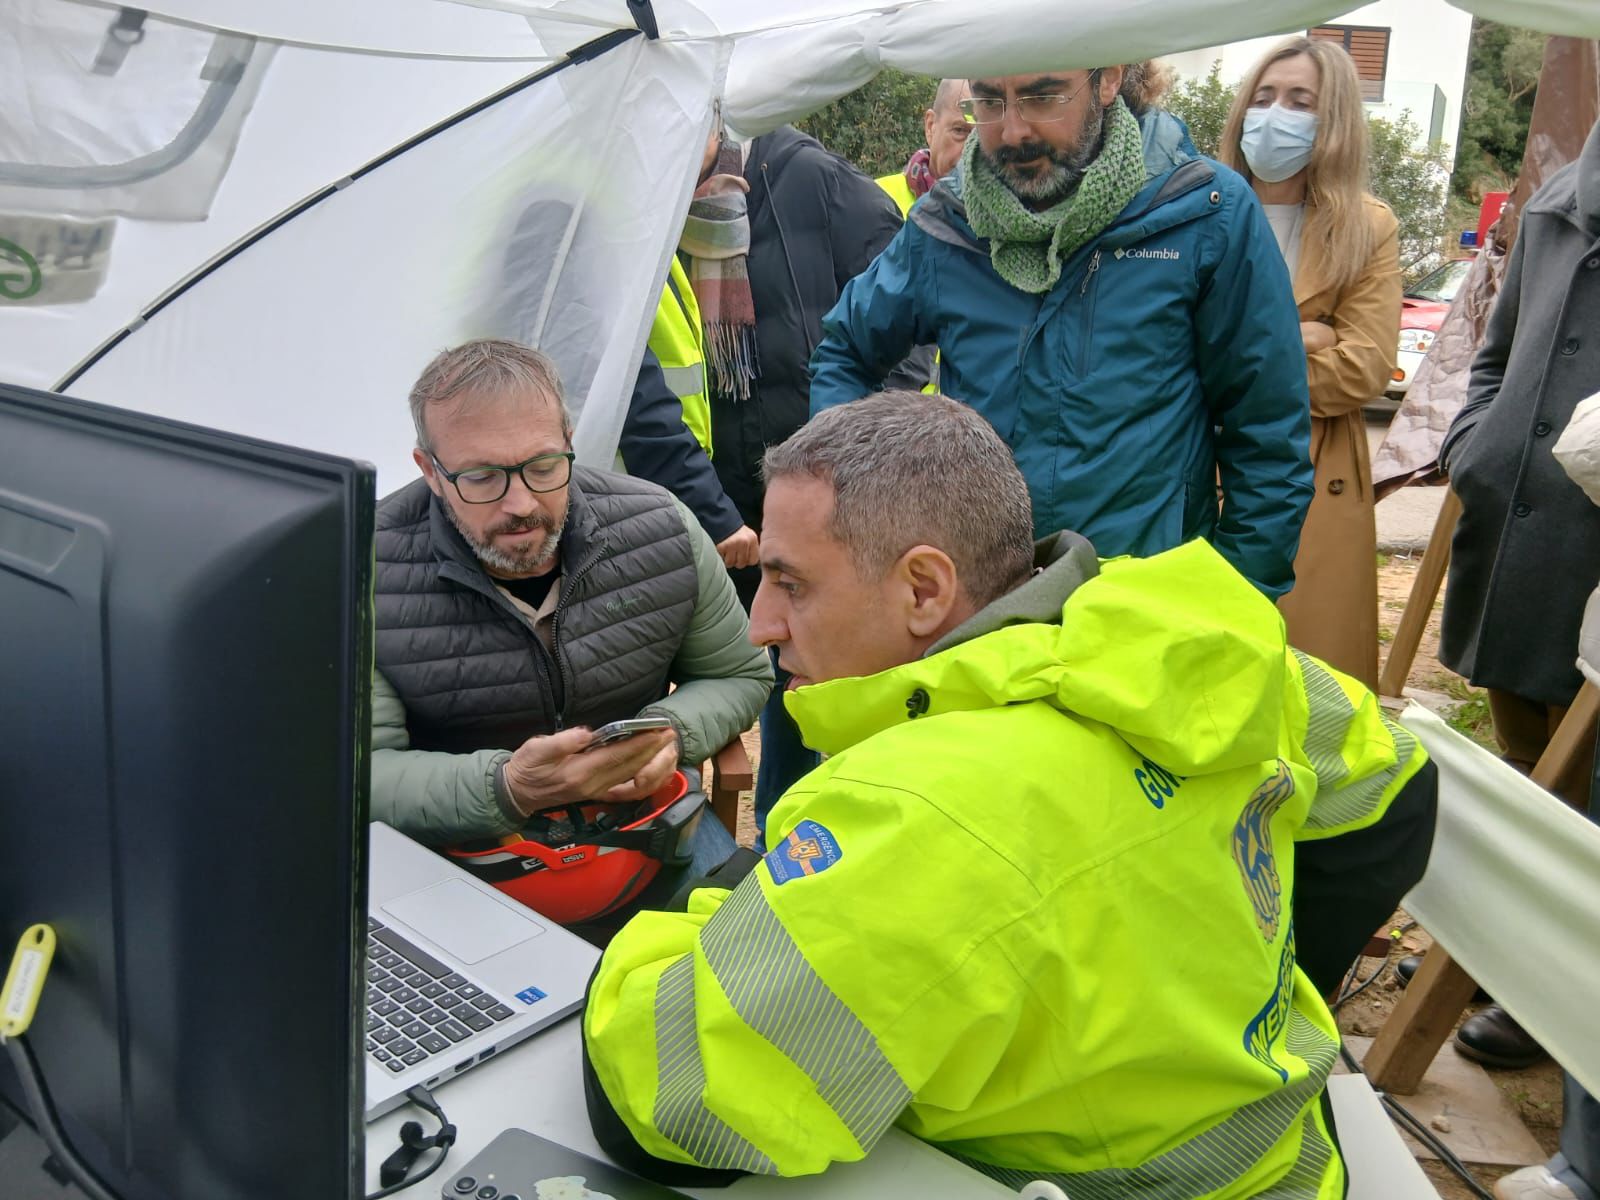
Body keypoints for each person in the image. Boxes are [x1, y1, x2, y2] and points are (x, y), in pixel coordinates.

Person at [581, 392, 1430, 1190]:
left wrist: (704, 913)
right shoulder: (1172, 632)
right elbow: (1395, 789)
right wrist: (1242, 993)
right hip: (1291, 1157)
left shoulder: (917, 816)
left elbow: (665, 1108)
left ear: (924, 588)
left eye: (791, 583)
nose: (762, 624)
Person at [810, 63, 1314, 600]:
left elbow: (1267, 431)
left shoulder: (1203, 212)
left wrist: (1237, 598)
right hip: (980, 603)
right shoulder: (946, 223)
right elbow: (843, 353)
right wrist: (859, 506)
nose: (1013, 131)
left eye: (1041, 97)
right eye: (988, 102)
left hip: (1145, 605)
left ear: (1109, 79)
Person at [369, 339, 772, 915]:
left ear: (570, 443)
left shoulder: (660, 528)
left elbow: (738, 673)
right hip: (455, 857)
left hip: (649, 830)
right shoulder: (367, 569)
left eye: (542, 466)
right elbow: (362, 769)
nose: (520, 503)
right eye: (482, 477)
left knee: (749, 966)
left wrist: (667, 733)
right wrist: (508, 787)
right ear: (430, 471)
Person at [684, 116, 920, 834]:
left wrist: (853, 467)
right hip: (730, 498)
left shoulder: (818, 184)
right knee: (778, 667)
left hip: (827, 495)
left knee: (836, 671)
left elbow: (904, 335)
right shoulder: (664, 213)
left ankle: (854, 831)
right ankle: (782, 840)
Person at [1435, 116, 1600, 1073]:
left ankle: (1559, 990)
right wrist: (1476, 450)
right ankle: (1518, 973)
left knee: (1589, 773)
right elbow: (1494, 355)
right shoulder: (1558, 202)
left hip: (1595, 546)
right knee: (1525, 754)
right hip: (1514, 527)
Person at [1219, 37, 1400, 689]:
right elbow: (1164, 348)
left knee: (1309, 684)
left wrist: (1233, 362)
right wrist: (1301, 338)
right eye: (1264, 97)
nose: (1276, 114)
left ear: (1335, 119)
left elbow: (1364, 368)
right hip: (1195, 463)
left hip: (1314, 470)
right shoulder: (1195, 208)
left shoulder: (1367, 226)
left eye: (1300, 101)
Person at [875, 78, 972, 217]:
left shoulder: (1002, 220)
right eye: (960, 130)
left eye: (982, 137)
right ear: (930, 126)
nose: (971, 150)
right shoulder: (877, 199)